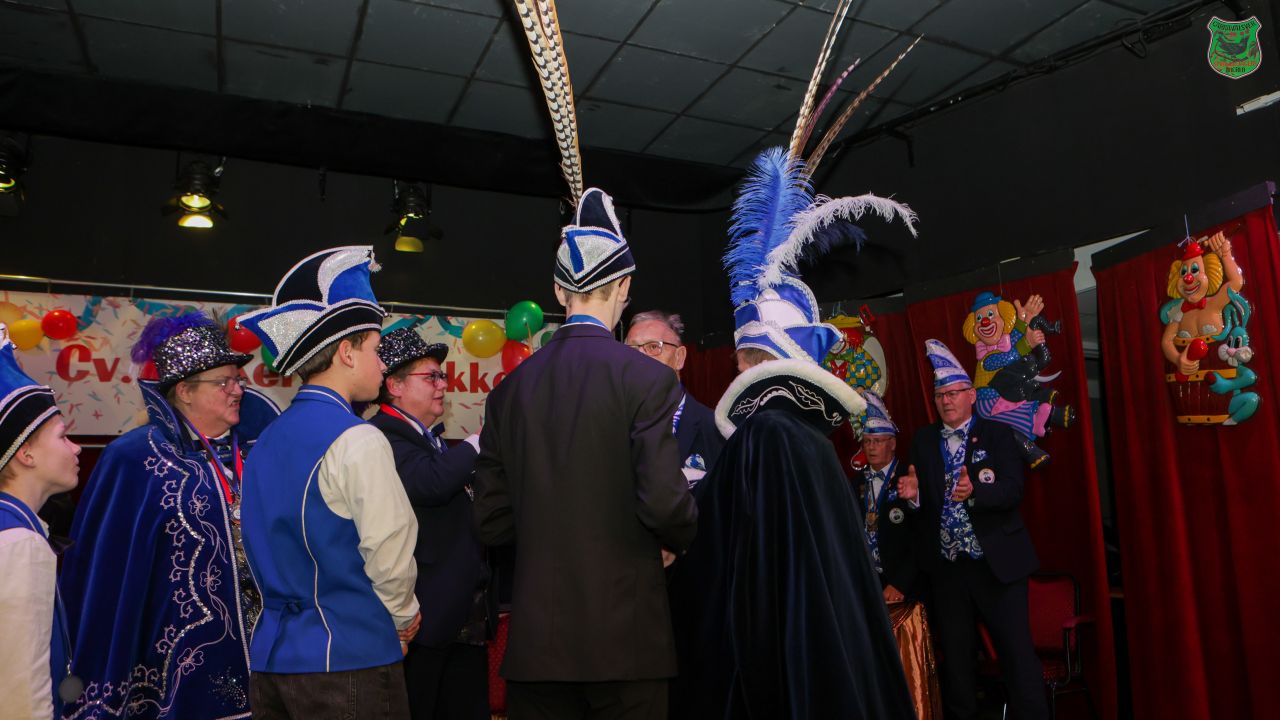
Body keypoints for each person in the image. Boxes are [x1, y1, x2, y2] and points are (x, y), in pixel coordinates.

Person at [668, 138, 917, 718]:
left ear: (751, 361)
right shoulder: (808, 439)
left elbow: (732, 569)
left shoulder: (766, 438)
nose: (734, 365)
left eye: (740, 356)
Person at [474, 187, 698, 720]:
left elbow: (490, 522)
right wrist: (676, 539)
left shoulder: (509, 392)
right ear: (625, 286)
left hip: (538, 646)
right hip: (626, 641)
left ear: (558, 290)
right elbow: (665, 503)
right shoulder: (646, 379)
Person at [60, 311, 281, 720]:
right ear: (184, 391)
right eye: (224, 382)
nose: (237, 390)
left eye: (238, 379)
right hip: (177, 664)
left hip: (265, 651)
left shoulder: (259, 449)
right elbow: (107, 571)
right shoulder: (135, 458)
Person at [236, 246, 421, 719]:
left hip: (271, 661)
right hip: (349, 657)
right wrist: (401, 618)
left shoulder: (264, 439)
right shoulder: (359, 437)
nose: (383, 365)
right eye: (375, 349)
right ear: (346, 352)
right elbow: (389, 551)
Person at [898, 339, 1048, 720]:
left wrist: (975, 492)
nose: (946, 401)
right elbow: (921, 508)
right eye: (939, 395)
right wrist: (914, 498)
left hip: (996, 567)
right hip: (949, 572)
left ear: (971, 395)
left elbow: (1013, 490)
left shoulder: (997, 434)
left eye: (953, 393)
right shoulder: (923, 441)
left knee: (1017, 658)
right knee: (957, 665)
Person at [369, 327, 491, 720]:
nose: (442, 385)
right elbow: (430, 483)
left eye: (442, 375)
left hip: (457, 615)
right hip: (424, 620)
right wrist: (480, 440)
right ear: (395, 386)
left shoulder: (428, 439)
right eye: (431, 377)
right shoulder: (382, 436)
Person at [0, 325, 81, 720]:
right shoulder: (19, 541)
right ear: (26, 454)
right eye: (63, 437)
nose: (77, 447)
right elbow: (20, 692)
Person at [625, 310, 724, 488]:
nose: (639, 358)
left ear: (680, 357)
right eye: (630, 350)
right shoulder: (612, 425)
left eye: (653, 347)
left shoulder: (715, 430)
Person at [856, 391, 918, 603]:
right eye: (867, 442)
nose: (871, 448)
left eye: (877, 441)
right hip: (866, 582)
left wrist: (901, 583)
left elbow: (920, 538)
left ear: (892, 443)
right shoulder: (855, 482)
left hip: (902, 585)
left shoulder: (908, 478)